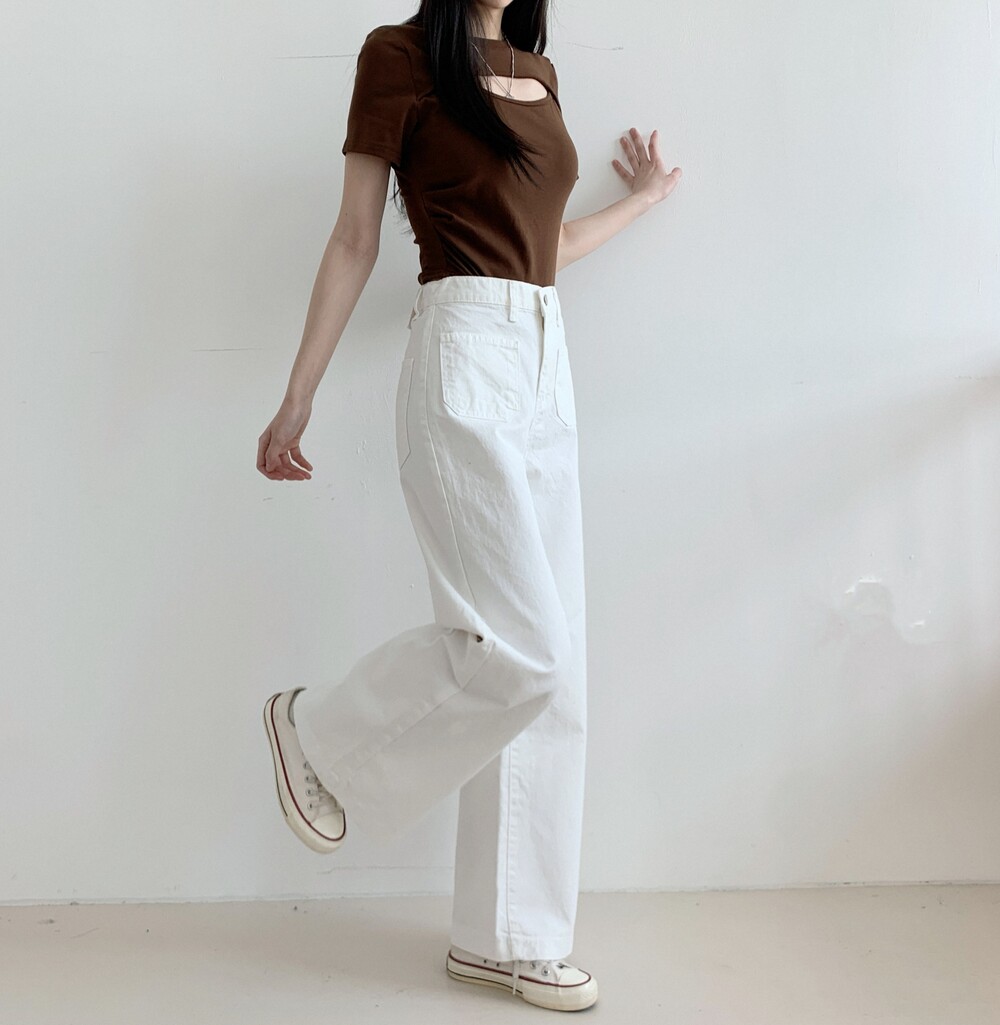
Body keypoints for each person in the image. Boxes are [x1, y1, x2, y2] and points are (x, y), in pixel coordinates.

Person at [258, 0, 681, 1012]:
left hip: (543, 357)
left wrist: (644, 200)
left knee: (553, 675)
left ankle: (508, 939)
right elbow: (355, 237)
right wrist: (299, 393)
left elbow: (547, 244)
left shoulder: (538, 70)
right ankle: (318, 733)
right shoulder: (399, 56)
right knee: (520, 647)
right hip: (462, 354)